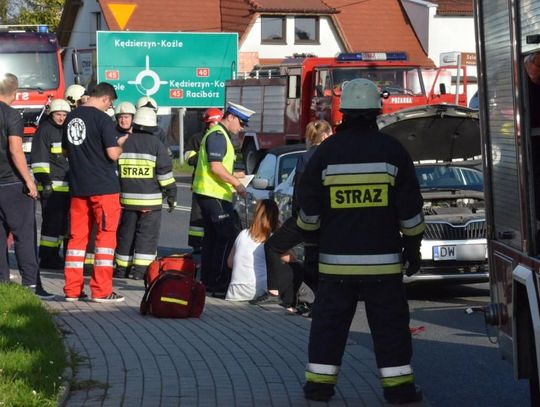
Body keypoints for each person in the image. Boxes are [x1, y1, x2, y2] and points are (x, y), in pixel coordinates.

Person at [297, 78, 425, 404]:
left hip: (335, 264)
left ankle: (318, 388)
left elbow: (308, 212)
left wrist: (311, 248)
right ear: (376, 111)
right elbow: (409, 212)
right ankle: (399, 391)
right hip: (383, 264)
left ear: (345, 112)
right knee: (390, 329)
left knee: (329, 327)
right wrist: (413, 248)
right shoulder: (393, 151)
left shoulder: (325, 153)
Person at [254, 120, 333, 313]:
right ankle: (316, 303)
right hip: (330, 218)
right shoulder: (333, 156)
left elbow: (300, 191)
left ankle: (276, 295)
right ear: (324, 136)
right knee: (318, 259)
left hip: (305, 218)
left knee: (273, 246)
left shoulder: (306, 157)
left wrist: (298, 215)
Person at [62, 82, 129, 303]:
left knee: (77, 239)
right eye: (110, 103)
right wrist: (120, 146)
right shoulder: (102, 119)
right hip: (103, 187)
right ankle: (101, 291)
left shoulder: (71, 118)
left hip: (78, 186)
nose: (109, 107)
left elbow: (65, 149)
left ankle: (72, 290)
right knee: (105, 238)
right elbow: (112, 154)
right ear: (106, 99)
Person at [0, 73, 54, 298]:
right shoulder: (11, 115)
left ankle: (2, 284)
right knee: (24, 235)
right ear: (15, 91)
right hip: (12, 183)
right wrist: (29, 181)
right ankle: (31, 285)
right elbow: (15, 149)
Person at [192, 102, 254, 295]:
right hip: (214, 194)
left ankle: (208, 281)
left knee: (212, 239)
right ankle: (218, 282)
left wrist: (237, 175)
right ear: (231, 117)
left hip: (212, 193)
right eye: (241, 123)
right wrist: (237, 183)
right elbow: (216, 167)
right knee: (226, 237)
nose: (241, 128)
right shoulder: (218, 136)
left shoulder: (220, 135)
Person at [114, 107, 177, 280]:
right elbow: (164, 173)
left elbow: (115, 171)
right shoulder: (156, 144)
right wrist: (171, 194)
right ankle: (140, 272)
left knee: (125, 236)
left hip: (126, 201)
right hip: (150, 203)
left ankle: (121, 270)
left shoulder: (123, 141)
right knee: (146, 237)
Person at [31, 98, 71, 270]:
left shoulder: (67, 131)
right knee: (51, 224)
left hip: (66, 186)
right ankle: (47, 257)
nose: (61, 118)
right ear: (51, 114)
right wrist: (45, 182)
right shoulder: (44, 131)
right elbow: (39, 159)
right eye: (58, 115)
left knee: (62, 224)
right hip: (51, 186)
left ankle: (55, 255)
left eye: (64, 115)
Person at [185, 108, 223, 252]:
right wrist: (206, 156)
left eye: (214, 123)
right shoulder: (197, 138)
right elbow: (189, 157)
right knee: (197, 214)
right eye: (210, 123)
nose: (211, 126)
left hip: (218, 184)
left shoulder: (223, 137)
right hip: (201, 182)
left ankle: (212, 241)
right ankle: (197, 244)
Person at [225, 199, 279, 301]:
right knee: (289, 268)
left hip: (234, 293)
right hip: (256, 291)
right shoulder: (272, 238)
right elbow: (291, 258)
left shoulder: (243, 234)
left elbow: (230, 263)